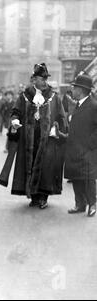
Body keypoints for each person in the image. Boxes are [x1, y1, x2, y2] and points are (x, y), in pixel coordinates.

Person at [0, 63, 67, 209]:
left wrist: (57, 128)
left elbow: (61, 117)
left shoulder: (54, 97)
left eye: (45, 78)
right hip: (28, 138)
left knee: (46, 166)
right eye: (41, 78)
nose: (44, 81)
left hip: (48, 139)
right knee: (29, 165)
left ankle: (43, 197)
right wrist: (15, 120)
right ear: (34, 79)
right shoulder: (25, 96)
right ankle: (34, 196)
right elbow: (15, 111)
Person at [64, 74, 97, 217]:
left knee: (89, 179)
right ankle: (80, 204)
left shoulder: (93, 106)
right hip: (75, 148)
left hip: (88, 150)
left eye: (74, 87)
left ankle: (92, 204)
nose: (72, 90)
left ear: (81, 90)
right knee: (76, 176)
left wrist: (90, 144)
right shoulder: (78, 104)